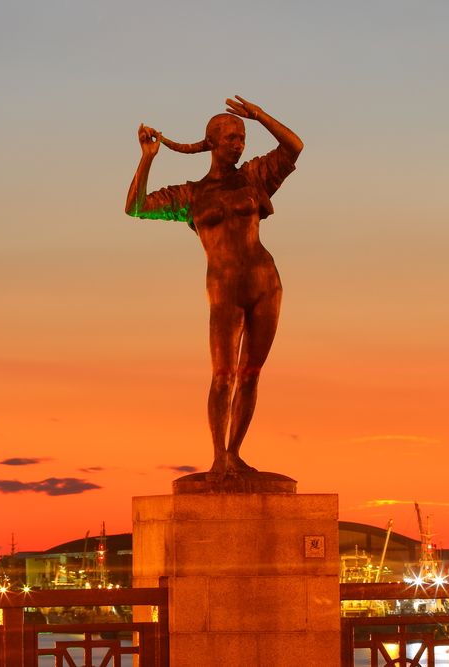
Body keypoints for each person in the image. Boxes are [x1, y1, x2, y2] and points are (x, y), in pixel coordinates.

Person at [124, 96, 303, 474]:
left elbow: (294, 147)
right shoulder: (191, 195)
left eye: (242, 138)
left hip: (265, 283)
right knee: (222, 376)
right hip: (223, 289)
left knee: (251, 375)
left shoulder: (255, 177)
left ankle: (235, 453)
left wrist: (259, 115)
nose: (239, 144)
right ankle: (219, 457)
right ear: (211, 143)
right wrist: (148, 157)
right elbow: (136, 206)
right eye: (231, 138)